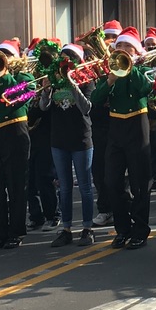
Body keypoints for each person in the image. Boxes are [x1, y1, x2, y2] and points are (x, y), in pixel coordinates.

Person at [91, 27, 153, 249]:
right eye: (119, 47)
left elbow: (145, 88)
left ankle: (140, 230)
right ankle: (122, 228)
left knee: (140, 181)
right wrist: (108, 80)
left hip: (138, 124)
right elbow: (96, 99)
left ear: (135, 50)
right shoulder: (109, 71)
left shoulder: (143, 69)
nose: (123, 50)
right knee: (112, 181)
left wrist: (131, 68)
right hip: (115, 127)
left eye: (128, 47)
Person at [0, 39, 34, 250]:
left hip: (15, 132)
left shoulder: (24, 77)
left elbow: (23, 98)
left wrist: (7, 76)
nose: (0, 60)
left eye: (5, 56)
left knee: (16, 185)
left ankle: (16, 232)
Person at [48, 43, 96, 247]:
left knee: (84, 187)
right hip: (58, 139)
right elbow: (43, 107)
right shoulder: (54, 80)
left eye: (69, 58)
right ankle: (66, 228)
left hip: (81, 138)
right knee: (65, 188)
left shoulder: (87, 80)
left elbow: (87, 108)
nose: (65, 62)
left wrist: (71, 83)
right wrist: (46, 90)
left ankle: (87, 228)